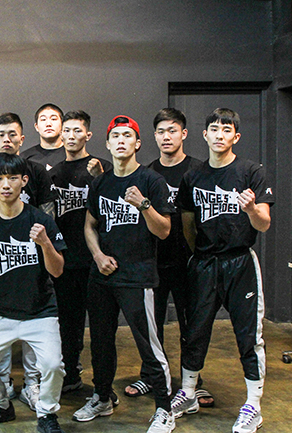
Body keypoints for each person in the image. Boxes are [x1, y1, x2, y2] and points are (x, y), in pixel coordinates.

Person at [171, 108, 273, 433]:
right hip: (204, 263)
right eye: (214, 129)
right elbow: (188, 226)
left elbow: (264, 223)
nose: (219, 135)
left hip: (240, 262)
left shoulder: (251, 171)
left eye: (226, 130)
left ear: (236, 137)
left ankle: (253, 405)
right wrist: (200, 256)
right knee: (195, 331)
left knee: (248, 336)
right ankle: (188, 393)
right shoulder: (193, 177)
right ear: (205, 135)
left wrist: (251, 209)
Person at [75, 115, 176, 433]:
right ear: (107, 144)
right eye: (115, 136)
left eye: (127, 135)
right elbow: (90, 225)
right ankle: (102, 397)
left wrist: (144, 205)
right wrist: (97, 255)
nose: (121, 140)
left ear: (138, 143)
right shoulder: (100, 182)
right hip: (102, 276)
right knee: (100, 342)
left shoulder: (151, 181)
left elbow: (164, 231)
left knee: (149, 345)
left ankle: (164, 409)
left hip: (137, 276)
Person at [0, 153, 67, 433]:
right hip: (0, 314)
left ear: (24, 181)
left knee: (53, 366)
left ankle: (46, 414)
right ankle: (0, 405)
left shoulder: (39, 219)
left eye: (12, 178)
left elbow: (58, 270)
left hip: (40, 313)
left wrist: (45, 243)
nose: (6, 185)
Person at [124, 108, 214, 406]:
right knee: (152, 325)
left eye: (172, 131)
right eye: (161, 131)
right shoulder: (148, 173)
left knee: (192, 325)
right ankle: (151, 376)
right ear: (154, 136)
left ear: (184, 134)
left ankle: (193, 382)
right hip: (155, 262)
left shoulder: (199, 170)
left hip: (190, 261)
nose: (166, 137)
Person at [49, 110, 112, 394]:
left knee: (101, 327)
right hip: (66, 261)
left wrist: (101, 179)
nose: (71, 136)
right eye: (67, 130)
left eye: (77, 131)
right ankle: (71, 374)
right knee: (68, 325)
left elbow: (114, 207)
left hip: (96, 259)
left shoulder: (102, 167)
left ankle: (103, 386)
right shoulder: (53, 173)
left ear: (88, 135)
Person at [20, 104, 65, 171]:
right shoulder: (25, 158)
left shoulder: (72, 154)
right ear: (36, 127)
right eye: (43, 119)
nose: (48, 124)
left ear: (62, 124)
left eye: (53, 119)